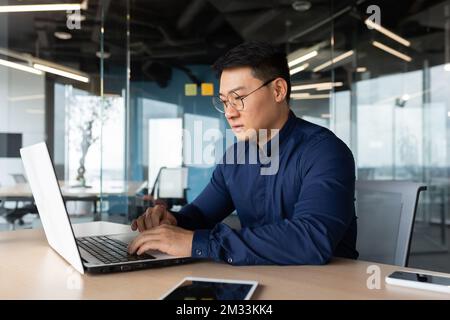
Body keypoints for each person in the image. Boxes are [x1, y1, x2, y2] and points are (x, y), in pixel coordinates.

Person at [128, 41, 358, 265]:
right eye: (224, 102)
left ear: (278, 90)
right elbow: (201, 214)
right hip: (258, 282)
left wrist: (196, 242)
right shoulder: (235, 158)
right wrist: (173, 221)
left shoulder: (325, 152)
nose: (229, 113)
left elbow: (311, 239)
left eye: (238, 98)